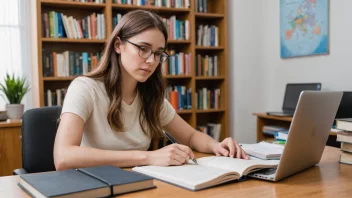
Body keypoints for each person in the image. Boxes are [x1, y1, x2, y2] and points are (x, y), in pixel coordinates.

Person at [54, 10, 249, 171]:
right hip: (93, 184)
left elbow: (190, 136)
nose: (151, 60)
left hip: (138, 184)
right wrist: (148, 157)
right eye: (143, 48)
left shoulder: (151, 97)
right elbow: (63, 157)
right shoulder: (85, 88)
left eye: (158, 53)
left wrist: (217, 146)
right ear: (118, 45)